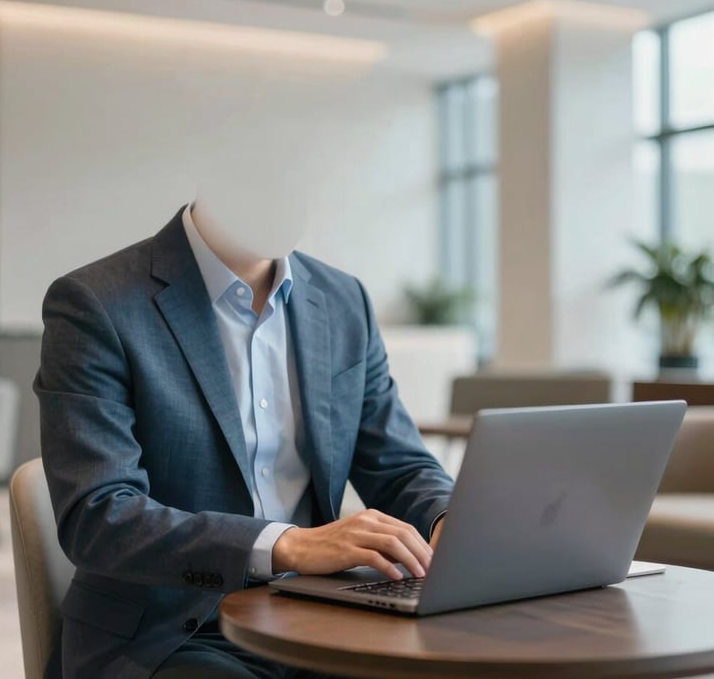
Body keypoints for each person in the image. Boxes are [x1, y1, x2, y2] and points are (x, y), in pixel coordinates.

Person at [35, 199, 454, 679]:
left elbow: (400, 466)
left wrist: (451, 520)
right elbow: (99, 514)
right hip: (169, 635)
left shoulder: (344, 301)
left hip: (322, 618)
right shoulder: (95, 301)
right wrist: (286, 546)